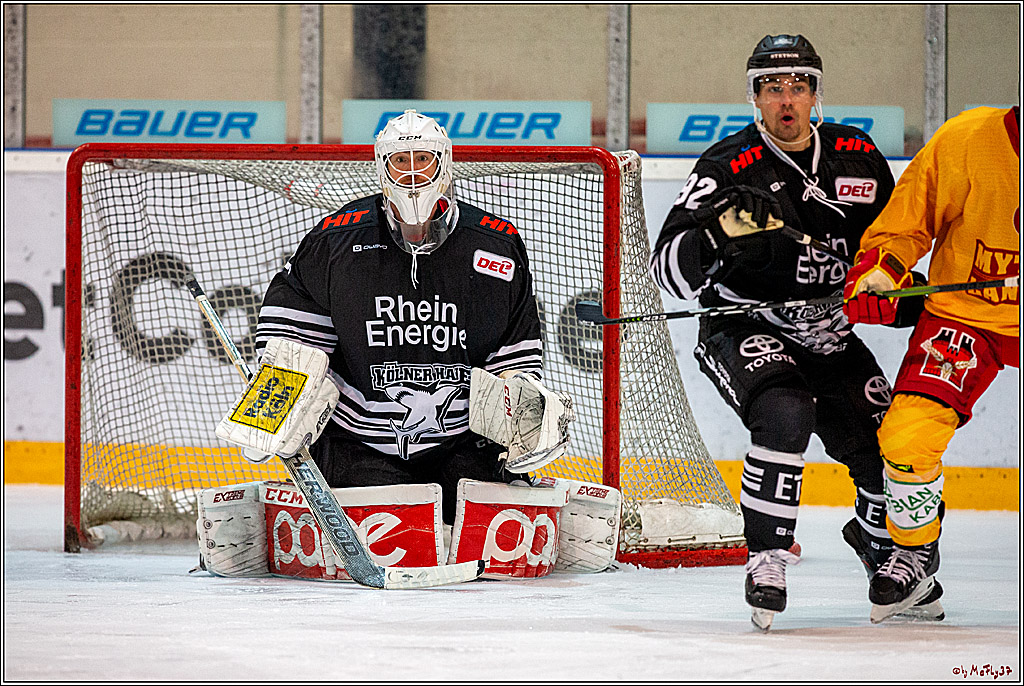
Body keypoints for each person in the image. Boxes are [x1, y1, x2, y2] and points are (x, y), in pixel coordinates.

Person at [648, 34, 932, 630]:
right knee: (785, 412)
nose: (786, 99)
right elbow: (666, 270)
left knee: (887, 439)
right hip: (744, 325)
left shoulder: (857, 156)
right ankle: (767, 558)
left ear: (815, 94)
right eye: (772, 87)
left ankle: (884, 544)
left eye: (798, 86)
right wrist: (719, 233)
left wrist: (902, 290)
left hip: (829, 333)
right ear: (755, 97)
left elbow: (892, 244)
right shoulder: (728, 165)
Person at [251, 109, 567, 525]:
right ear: (383, 167)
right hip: (359, 443)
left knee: (487, 530)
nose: (413, 173)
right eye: (401, 160)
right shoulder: (336, 240)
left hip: (462, 444)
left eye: (423, 159)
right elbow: (291, 343)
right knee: (384, 532)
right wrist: (280, 404)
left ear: (444, 164)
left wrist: (525, 407)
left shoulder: (496, 245)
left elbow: (513, 358)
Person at [843, 105, 1019, 622]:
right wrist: (881, 271)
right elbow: (906, 224)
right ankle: (914, 551)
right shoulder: (968, 138)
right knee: (908, 435)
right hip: (966, 317)